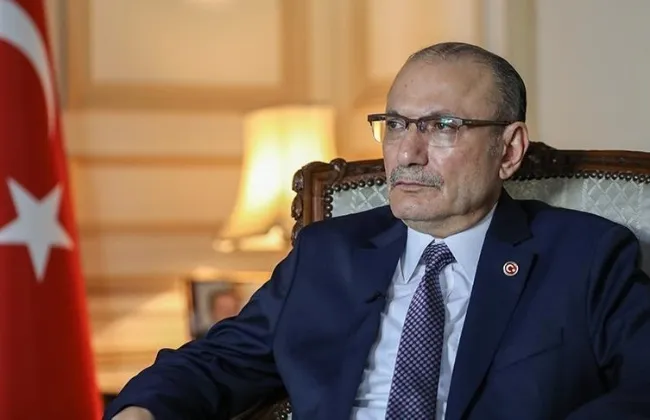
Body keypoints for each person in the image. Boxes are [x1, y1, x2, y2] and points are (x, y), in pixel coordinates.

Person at [105, 42, 650, 420]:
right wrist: (142, 411)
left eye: (443, 127)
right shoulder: (328, 254)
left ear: (508, 150)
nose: (408, 153)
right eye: (394, 125)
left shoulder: (585, 256)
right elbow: (217, 362)